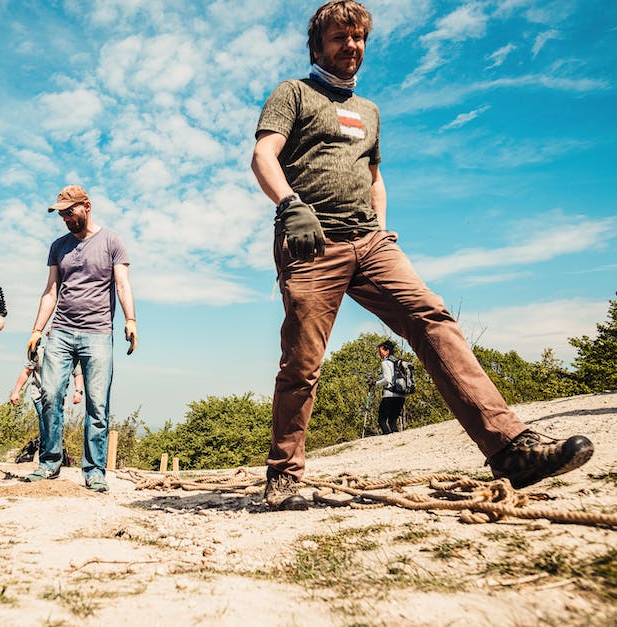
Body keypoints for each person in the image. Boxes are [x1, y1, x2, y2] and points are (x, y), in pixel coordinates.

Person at [250, 0, 594, 510]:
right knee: (302, 362)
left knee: (432, 318)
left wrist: (383, 234)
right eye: (340, 37)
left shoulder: (369, 111)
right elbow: (263, 155)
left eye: (359, 37)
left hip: (370, 242)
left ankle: (509, 449)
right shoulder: (293, 93)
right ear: (318, 45)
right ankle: (283, 473)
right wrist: (289, 204)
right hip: (312, 242)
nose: (352, 45)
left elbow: (373, 178)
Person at [24, 184, 137, 493]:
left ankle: (95, 470)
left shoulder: (112, 241)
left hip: (98, 333)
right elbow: (51, 290)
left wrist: (130, 320)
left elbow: (123, 285)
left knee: (97, 404)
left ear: (86, 206)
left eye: (69, 211)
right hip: (60, 331)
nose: (65, 218)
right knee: (49, 394)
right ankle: (49, 463)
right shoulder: (58, 246)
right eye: (61, 214)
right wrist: (37, 329)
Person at [9, 343, 84, 464]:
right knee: (46, 422)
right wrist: (16, 392)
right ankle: (46, 458)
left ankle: (54, 456)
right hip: (39, 393)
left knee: (55, 424)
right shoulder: (38, 352)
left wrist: (78, 391)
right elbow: (26, 372)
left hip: (58, 396)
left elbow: (78, 373)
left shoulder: (70, 353)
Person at [374, 340, 405, 435]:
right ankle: (397, 441)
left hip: (389, 395)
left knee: (382, 420)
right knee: (392, 421)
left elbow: (387, 379)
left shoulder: (385, 363)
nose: (379, 354)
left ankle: (387, 441)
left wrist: (376, 383)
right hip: (401, 395)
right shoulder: (396, 362)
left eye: (380, 351)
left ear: (387, 351)